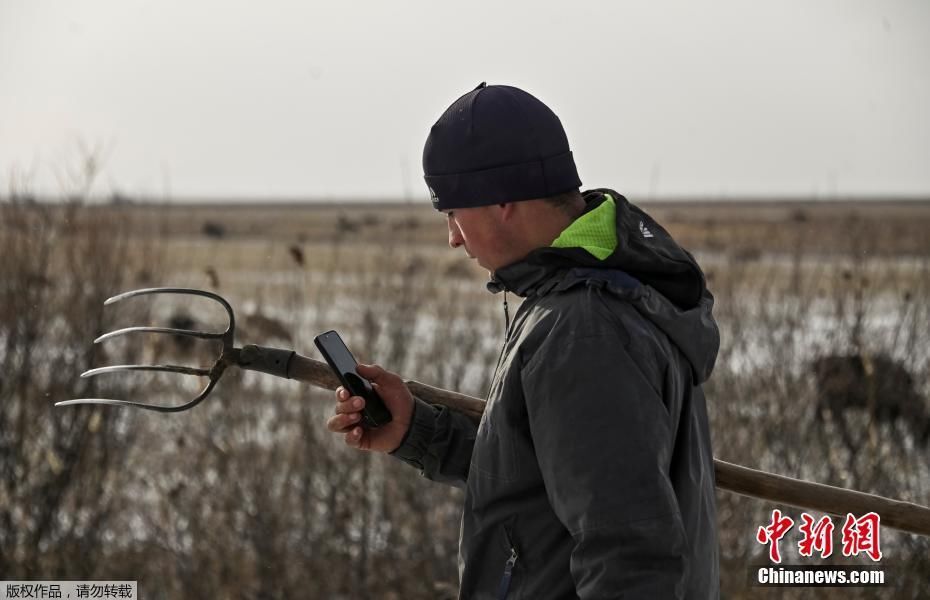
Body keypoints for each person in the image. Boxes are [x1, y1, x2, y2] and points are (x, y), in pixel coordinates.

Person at [327, 83, 720, 599]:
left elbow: (629, 554)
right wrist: (417, 432)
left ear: (503, 200)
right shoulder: (591, 293)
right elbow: (550, 477)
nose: (453, 237)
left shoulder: (583, 330)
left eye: (453, 212)